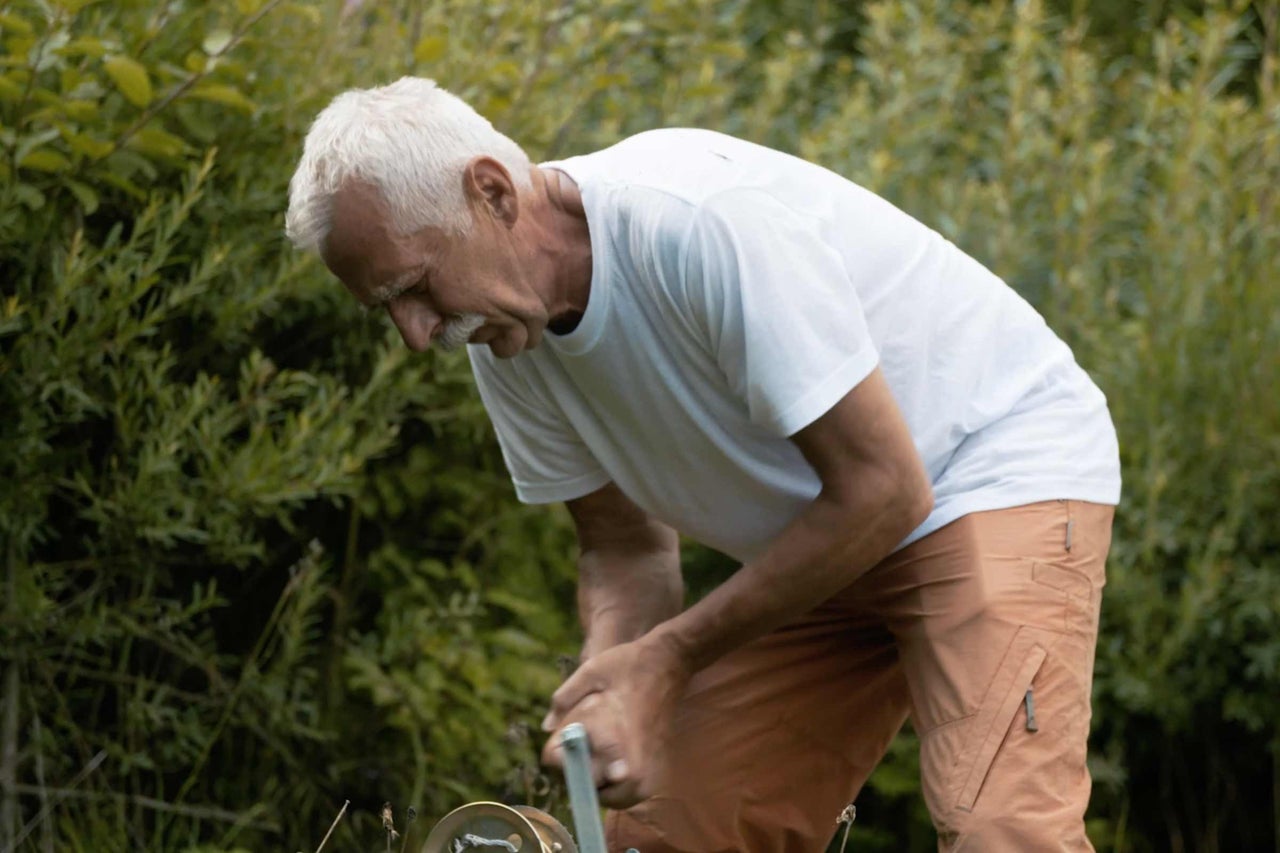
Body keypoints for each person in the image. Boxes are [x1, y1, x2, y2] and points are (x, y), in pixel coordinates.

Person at [286, 76, 1121, 852]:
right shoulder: (509, 341)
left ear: (492, 191)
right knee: (666, 835)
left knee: (1001, 830)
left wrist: (670, 658)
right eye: (386, 309)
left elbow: (887, 490)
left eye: (417, 286)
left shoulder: (696, 221)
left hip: (987, 471)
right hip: (825, 541)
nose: (414, 333)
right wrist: (612, 672)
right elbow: (626, 550)